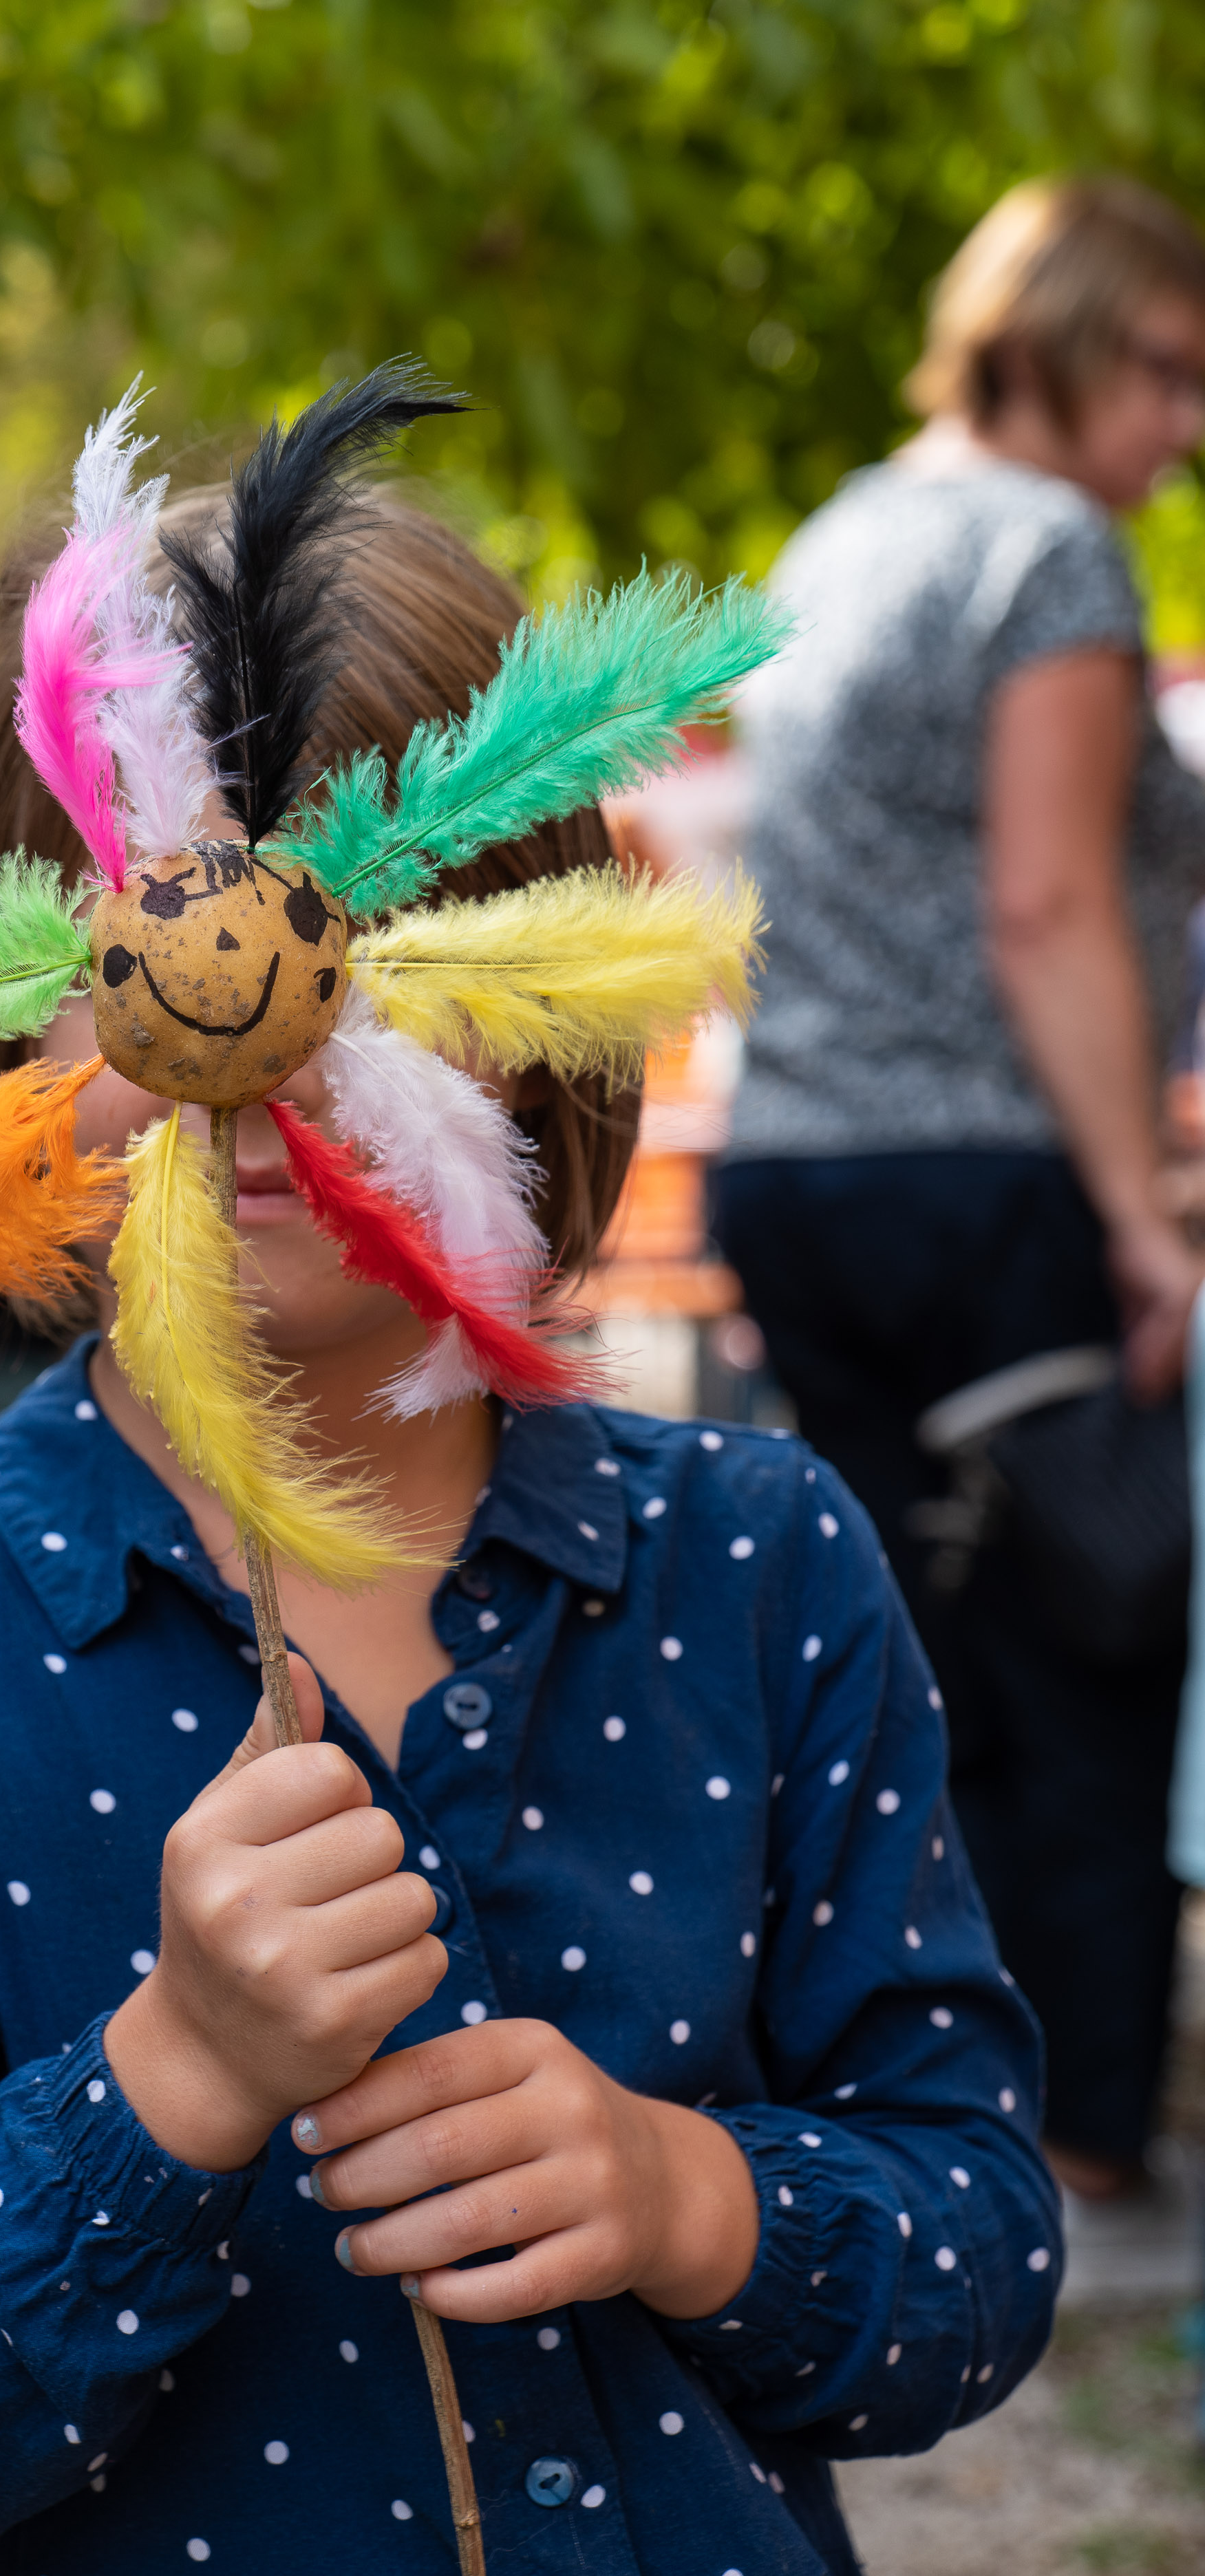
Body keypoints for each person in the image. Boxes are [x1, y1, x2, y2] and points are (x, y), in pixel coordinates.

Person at [0, 490, 1058, 2576]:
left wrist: (682, 2197)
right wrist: (166, 2078)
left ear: (540, 992)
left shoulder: (755, 1569)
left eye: (364, 933)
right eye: (140, 918)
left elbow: (974, 2246)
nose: (231, 1024)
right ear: (8, 991)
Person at [713, 176, 1205, 2207]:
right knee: (1078, 1661)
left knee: (894, 1661)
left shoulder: (834, 539)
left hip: (795, 1174)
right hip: (986, 1183)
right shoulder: (1043, 560)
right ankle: (1073, 2135)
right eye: (1161, 367)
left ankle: (906, 2102)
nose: (1178, 421)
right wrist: (1140, 1212)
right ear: (1049, 341)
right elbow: (1038, 904)